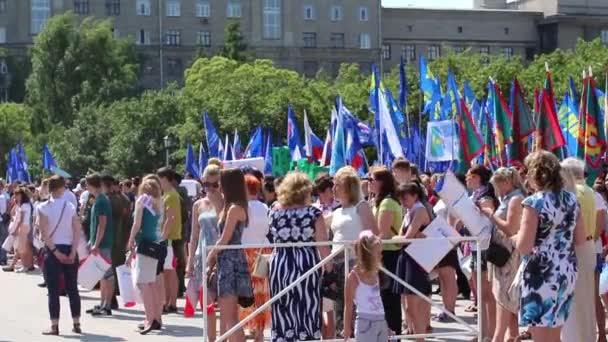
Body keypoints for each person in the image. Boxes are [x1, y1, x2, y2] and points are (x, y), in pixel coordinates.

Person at [515, 151, 586, 342]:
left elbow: (524, 246)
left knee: (539, 333)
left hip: (542, 272)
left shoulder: (534, 202)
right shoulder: (572, 200)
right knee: (555, 333)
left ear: (534, 173)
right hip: (566, 270)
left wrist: (515, 238)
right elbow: (580, 239)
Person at [267, 171, 331, 341]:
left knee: (282, 310)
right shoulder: (313, 213)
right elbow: (323, 245)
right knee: (307, 308)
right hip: (306, 265)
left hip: (280, 264)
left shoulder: (274, 211)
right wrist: (330, 271)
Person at [330, 166, 378, 336]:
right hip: (337, 263)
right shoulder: (336, 212)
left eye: (338, 184)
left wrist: (365, 262)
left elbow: (372, 234)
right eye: (334, 184)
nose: (334, 188)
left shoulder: (361, 206)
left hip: (355, 262)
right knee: (340, 307)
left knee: (356, 308)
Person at [206, 168, 252, 342]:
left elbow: (224, 239)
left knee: (229, 316)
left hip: (230, 260)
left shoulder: (234, 209)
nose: (218, 187)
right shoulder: (234, 207)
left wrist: (210, 255)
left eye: (220, 184)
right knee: (229, 316)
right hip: (230, 259)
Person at [480, 167, 524, 342]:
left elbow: (510, 228)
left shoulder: (515, 199)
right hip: (502, 254)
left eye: (497, 185)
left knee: (503, 299)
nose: (496, 189)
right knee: (505, 299)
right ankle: (512, 337)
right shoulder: (509, 198)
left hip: (508, 255)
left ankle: (498, 338)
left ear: (507, 182)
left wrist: (491, 215)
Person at [38, 175, 82, 336]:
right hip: (69, 248)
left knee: (53, 289)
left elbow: (44, 233)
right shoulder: (70, 206)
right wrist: (73, 250)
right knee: (72, 288)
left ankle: (54, 325)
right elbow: (77, 230)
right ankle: (77, 323)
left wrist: (55, 252)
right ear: (61, 188)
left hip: (52, 250)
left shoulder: (43, 208)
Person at [560, 158, 598, 342]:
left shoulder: (573, 194)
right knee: (586, 298)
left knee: (574, 299)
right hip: (589, 245)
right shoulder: (590, 191)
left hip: (577, 247)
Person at [187, 164, 223, 341]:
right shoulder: (198, 205)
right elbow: (193, 235)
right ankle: (210, 339)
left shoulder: (226, 202)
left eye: (214, 184)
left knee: (224, 303)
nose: (209, 188)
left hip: (223, 254)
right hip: (202, 256)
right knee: (207, 303)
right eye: (205, 184)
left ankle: (224, 337)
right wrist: (189, 262)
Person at [393, 182, 433, 342]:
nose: (402, 201)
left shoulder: (420, 210)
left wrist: (406, 238)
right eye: (400, 198)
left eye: (405, 197)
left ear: (415, 195)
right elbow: (400, 239)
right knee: (409, 305)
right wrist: (405, 238)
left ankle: (420, 339)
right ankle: (419, 337)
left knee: (413, 305)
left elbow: (404, 238)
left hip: (416, 260)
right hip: (406, 258)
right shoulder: (409, 212)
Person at [464, 165, 497, 339]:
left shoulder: (485, 197)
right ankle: (482, 332)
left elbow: (488, 221)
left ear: (478, 178)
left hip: (485, 247)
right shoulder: (474, 196)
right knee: (480, 294)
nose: (467, 179)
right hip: (476, 246)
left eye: (469, 176)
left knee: (487, 295)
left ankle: (490, 334)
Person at [126, 178, 163, 334]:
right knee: (151, 284)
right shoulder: (158, 203)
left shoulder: (142, 200)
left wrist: (129, 241)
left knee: (143, 283)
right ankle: (155, 317)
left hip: (144, 245)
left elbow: (137, 224)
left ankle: (150, 319)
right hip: (154, 243)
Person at [369, 167, 403, 336]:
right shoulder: (381, 201)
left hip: (388, 254)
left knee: (389, 298)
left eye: (372, 180)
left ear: (381, 182)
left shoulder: (387, 202)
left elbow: (383, 232)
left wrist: (373, 254)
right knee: (385, 298)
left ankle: (393, 334)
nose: (369, 183)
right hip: (384, 253)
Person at [239, 174, 271, 341]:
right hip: (263, 250)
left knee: (245, 292)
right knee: (261, 293)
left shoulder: (242, 208)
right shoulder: (265, 208)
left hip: (245, 251)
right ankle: (258, 331)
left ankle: (249, 326)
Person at [343, 230, 389, 342]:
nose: (381, 256)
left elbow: (378, 300)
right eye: (378, 253)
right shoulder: (353, 277)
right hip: (365, 322)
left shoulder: (376, 273)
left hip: (380, 321)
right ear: (368, 255)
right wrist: (346, 328)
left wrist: (385, 323)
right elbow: (348, 305)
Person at [86, 173, 115, 316]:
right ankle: (102, 303)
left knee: (107, 275)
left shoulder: (101, 201)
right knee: (102, 275)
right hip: (99, 243)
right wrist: (92, 241)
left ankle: (107, 305)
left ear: (91, 185)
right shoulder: (99, 199)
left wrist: (95, 244)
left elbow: (102, 225)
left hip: (103, 243)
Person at [157, 167, 182, 314]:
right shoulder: (166, 194)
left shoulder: (171, 195)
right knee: (167, 272)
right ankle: (168, 302)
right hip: (168, 238)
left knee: (169, 272)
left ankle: (171, 302)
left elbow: (170, 218)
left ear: (165, 178)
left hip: (170, 239)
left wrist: (163, 238)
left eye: (159, 178)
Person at [14, 186, 34, 272]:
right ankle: (27, 265)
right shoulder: (27, 204)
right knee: (25, 247)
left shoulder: (23, 206)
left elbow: (21, 220)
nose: (15, 196)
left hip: (23, 226)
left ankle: (24, 266)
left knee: (21, 248)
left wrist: (15, 229)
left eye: (17, 194)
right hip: (26, 226)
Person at [0, 179, 9, 265]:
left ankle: (2, 258)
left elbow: (7, 206)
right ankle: (2, 258)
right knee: (2, 239)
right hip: (1, 220)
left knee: (3, 239)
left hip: (2, 220)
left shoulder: (4, 195)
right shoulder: (3, 196)